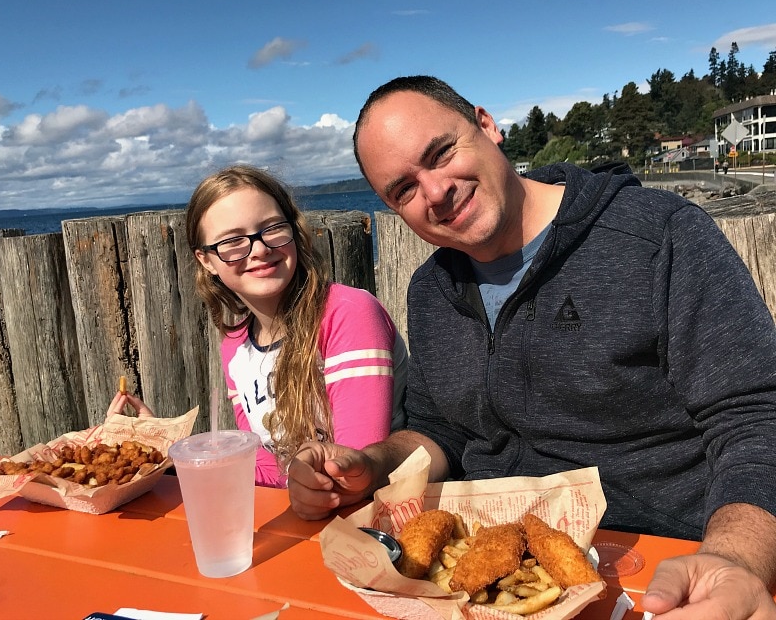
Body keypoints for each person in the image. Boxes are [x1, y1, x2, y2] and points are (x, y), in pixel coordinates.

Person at [286, 76, 776, 618]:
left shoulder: (658, 236)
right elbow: (440, 428)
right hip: (486, 583)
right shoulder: (431, 290)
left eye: (441, 152)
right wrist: (369, 464)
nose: (436, 192)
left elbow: (756, 418)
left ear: (487, 125)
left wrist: (737, 560)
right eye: (403, 189)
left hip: (667, 565)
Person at [108, 164, 407, 488]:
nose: (260, 249)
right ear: (206, 260)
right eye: (233, 241)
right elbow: (271, 470)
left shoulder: (347, 313)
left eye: (272, 228)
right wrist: (166, 450)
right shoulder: (234, 349)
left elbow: (349, 473)